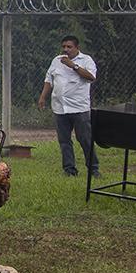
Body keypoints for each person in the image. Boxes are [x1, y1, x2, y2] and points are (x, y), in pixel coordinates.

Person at [38, 35, 99, 177]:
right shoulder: (56, 60)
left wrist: (73, 66)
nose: (66, 49)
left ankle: (94, 169)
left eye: (69, 47)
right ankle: (69, 170)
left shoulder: (86, 60)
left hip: (79, 108)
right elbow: (49, 79)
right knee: (64, 141)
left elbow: (91, 77)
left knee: (85, 139)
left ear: (77, 48)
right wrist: (43, 97)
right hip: (60, 107)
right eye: (64, 46)